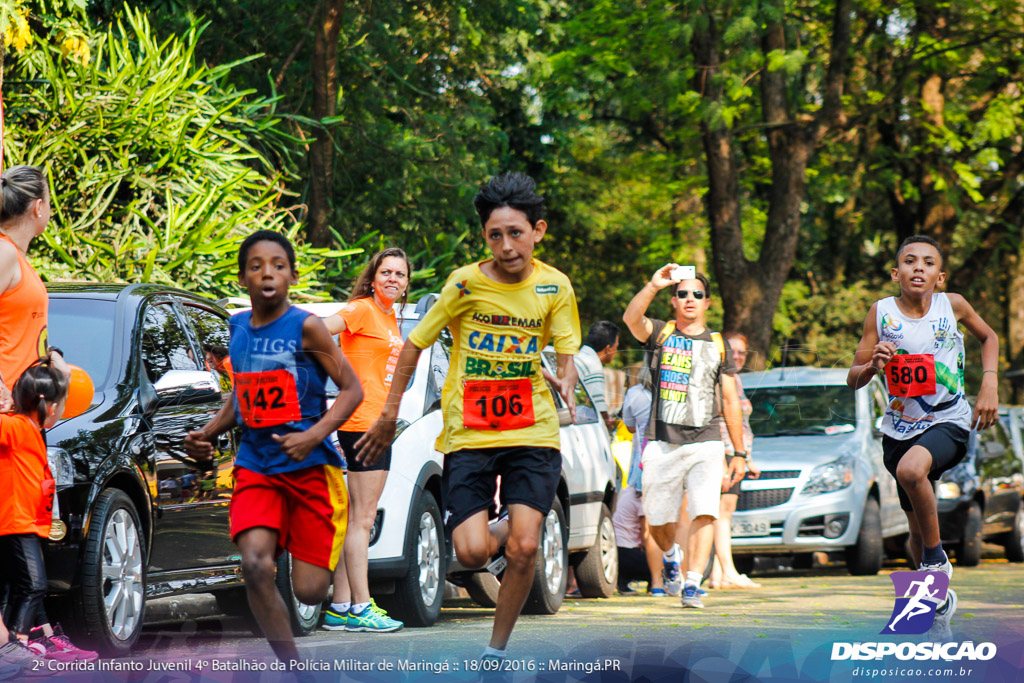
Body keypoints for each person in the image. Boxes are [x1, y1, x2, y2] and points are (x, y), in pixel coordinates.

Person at [356, 172, 580, 662]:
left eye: (515, 233)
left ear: (537, 231)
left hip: (532, 427)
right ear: (485, 237)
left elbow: (566, 349)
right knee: (474, 552)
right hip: (469, 431)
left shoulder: (554, 286)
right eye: (494, 235)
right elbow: (415, 344)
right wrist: (389, 415)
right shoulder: (464, 283)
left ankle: (496, 651)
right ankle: (499, 529)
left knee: (525, 547)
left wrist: (564, 377)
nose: (506, 245)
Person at [184, 230, 364, 666]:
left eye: (278, 265)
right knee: (255, 566)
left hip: (309, 469)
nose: (268, 273)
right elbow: (241, 394)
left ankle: (305, 535)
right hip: (256, 464)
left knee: (310, 590)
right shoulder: (237, 327)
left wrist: (313, 434)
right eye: (257, 265)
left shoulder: (308, 327)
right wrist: (206, 434)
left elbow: (351, 390)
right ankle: (293, 668)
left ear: (292, 275)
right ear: (243, 276)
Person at [847, 235, 998, 642]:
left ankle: (937, 562)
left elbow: (990, 338)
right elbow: (853, 379)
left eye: (928, 263)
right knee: (914, 530)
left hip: (949, 418)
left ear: (940, 276)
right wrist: (873, 366)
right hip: (898, 429)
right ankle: (933, 611)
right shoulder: (879, 313)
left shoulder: (955, 305)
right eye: (910, 262)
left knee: (915, 471)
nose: (919, 268)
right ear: (896, 274)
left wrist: (989, 384)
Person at [623, 265, 746, 609]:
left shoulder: (719, 345)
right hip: (662, 443)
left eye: (697, 294)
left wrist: (738, 452)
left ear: (708, 302)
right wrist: (653, 285)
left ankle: (692, 583)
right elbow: (632, 318)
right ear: (674, 301)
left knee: (706, 511)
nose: (689, 299)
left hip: (707, 442)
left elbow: (730, 399)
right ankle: (671, 554)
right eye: (682, 294)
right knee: (660, 521)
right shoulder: (660, 334)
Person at [321, 248, 411, 633]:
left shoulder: (391, 318)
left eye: (400, 275)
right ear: (372, 278)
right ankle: (362, 606)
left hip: (376, 424)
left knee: (353, 518)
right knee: (362, 518)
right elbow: (317, 330)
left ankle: (340, 605)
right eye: (386, 272)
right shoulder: (361, 310)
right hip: (362, 424)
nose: (393, 279)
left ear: (407, 284)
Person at [0, 361, 97, 663]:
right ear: (48, 405)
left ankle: (14, 646)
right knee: (33, 584)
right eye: (61, 405)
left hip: (25, 522)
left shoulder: (30, 429)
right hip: (15, 523)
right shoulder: (15, 426)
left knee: (18, 586)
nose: (61, 411)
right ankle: (16, 645)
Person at [709, 332, 761, 589]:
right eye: (733, 351)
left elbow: (743, 425)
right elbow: (718, 421)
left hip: (735, 454)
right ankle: (727, 571)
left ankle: (718, 575)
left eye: (742, 352)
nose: (738, 356)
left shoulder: (735, 379)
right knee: (722, 514)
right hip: (724, 453)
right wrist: (723, 457)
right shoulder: (721, 379)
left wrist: (748, 458)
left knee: (723, 514)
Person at [620, 363, 666, 596]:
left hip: (643, 466)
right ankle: (673, 579)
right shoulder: (672, 393)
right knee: (669, 524)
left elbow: (629, 427)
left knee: (649, 527)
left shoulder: (634, 394)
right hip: (671, 463)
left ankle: (656, 583)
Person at [575, 321, 619, 430]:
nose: (616, 351)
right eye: (616, 347)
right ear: (608, 348)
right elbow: (599, 409)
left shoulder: (579, 357)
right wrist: (610, 423)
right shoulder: (593, 364)